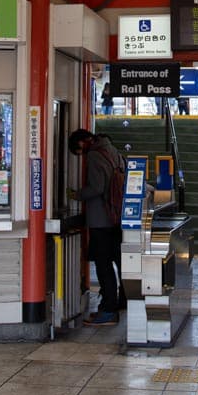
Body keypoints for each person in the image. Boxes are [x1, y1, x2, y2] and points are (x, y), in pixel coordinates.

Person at [67, 128, 124, 326]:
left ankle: (108, 310)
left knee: (103, 265)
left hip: (101, 219)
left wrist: (77, 195)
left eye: (79, 150)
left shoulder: (94, 155)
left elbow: (97, 188)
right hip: (116, 217)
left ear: (84, 142)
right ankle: (121, 302)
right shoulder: (113, 151)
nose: (81, 154)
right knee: (118, 262)